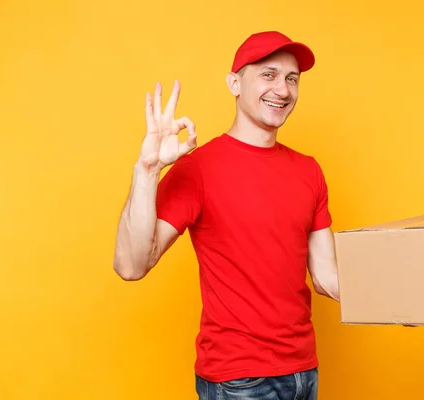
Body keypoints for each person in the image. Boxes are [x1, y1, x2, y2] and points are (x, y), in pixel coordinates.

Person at [112, 31, 340, 399]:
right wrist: (147, 170)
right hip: (238, 381)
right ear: (234, 83)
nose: (282, 89)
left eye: (291, 78)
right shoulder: (198, 168)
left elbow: (328, 277)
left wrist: (394, 300)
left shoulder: (309, 171)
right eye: (268, 74)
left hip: (304, 372)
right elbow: (131, 265)